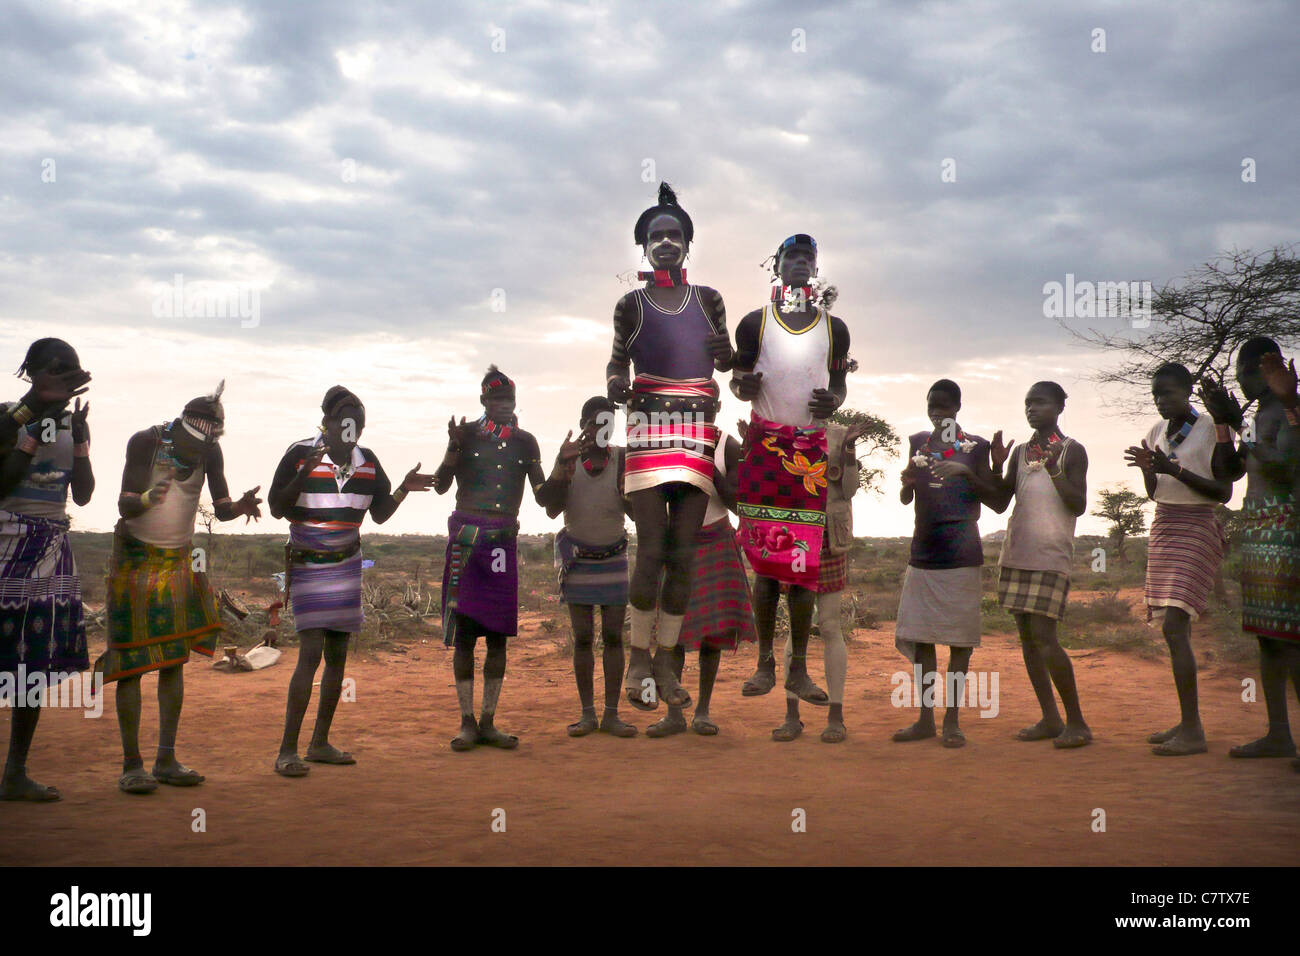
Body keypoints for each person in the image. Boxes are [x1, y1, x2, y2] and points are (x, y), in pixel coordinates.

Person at [94, 383, 264, 793]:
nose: (200, 448)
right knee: (131, 664)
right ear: (182, 426)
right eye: (196, 440)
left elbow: (220, 509)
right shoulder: (147, 441)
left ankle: (166, 758)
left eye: (209, 441)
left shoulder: (209, 451)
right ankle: (132, 765)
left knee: (173, 660)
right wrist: (152, 497)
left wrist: (239, 506)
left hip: (178, 561)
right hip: (135, 559)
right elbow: (125, 503)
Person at [606, 182, 733, 709]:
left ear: (687, 244)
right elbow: (617, 361)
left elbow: (726, 364)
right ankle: (637, 658)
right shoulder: (630, 305)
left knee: (683, 555)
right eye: (656, 235)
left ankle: (664, 660)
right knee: (652, 549)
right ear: (643, 246)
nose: (665, 242)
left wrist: (726, 354)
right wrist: (614, 381)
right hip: (647, 428)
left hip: (697, 429)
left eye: (674, 234)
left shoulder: (708, 301)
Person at [269, 387, 433, 777]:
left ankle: (319, 743)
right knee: (310, 654)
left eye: (356, 423)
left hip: (346, 563)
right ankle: (286, 750)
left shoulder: (368, 462)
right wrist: (305, 473)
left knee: (338, 658)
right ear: (325, 423)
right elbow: (278, 508)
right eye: (343, 421)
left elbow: (381, 515)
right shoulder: (299, 453)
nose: (349, 429)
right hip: (309, 562)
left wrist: (404, 490)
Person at [731, 234, 850, 707]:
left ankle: (797, 668)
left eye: (807, 258)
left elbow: (838, 385)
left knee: (801, 566)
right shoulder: (753, 324)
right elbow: (739, 383)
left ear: (815, 268)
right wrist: (745, 385)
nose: (800, 263)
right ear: (776, 267)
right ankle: (764, 662)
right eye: (791, 257)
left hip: (810, 456)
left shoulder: (834, 328)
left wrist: (833, 401)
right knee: (764, 563)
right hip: (763, 447)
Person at [0, 339, 94, 801]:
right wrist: (34, 420)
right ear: (32, 372)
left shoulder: (72, 426)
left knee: (30, 663)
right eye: (54, 369)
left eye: (70, 370)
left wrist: (80, 443)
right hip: (4, 543)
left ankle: (15, 771)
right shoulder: (7, 416)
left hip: (50, 548)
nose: (63, 377)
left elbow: (83, 496)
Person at [436, 367, 546, 751]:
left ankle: (488, 721)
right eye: (497, 400)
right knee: (466, 636)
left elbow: (545, 499)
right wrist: (452, 447)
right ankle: (466, 723)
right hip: (468, 541)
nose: (504, 406)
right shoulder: (464, 436)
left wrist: (565, 469)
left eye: (509, 401)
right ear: (483, 401)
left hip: (501, 544)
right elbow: (440, 485)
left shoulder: (526, 443)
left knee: (498, 636)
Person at [1202, 338, 1300, 769]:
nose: (1244, 380)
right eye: (1241, 373)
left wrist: (1287, 403)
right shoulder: (1259, 415)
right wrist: (1225, 425)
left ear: (1275, 369)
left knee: (1291, 639)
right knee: (1268, 637)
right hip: (1259, 532)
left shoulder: (1288, 411)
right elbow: (1229, 474)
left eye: (1252, 371)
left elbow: (1285, 467)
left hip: (1287, 528)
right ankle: (1278, 734)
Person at [1124, 363, 1231, 756]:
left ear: (1187, 391)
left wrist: (1173, 468)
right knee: (1174, 630)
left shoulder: (1211, 429)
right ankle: (1189, 723)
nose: (1160, 399)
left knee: (1174, 624)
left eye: (1167, 392)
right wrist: (1148, 471)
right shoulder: (1156, 432)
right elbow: (1155, 492)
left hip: (1197, 524)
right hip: (1164, 524)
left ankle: (1193, 730)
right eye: (1155, 394)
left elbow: (1222, 491)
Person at [982, 381, 1093, 749]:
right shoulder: (1020, 452)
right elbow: (1000, 504)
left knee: (1046, 639)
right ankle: (1050, 718)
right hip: (1017, 552)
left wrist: (1054, 470)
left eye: (1041, 402)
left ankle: (1077, 722)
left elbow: (1077, 505)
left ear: (1061, 407)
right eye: (1028, 403)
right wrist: (996, 466)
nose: (1032, 409)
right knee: (1028, 640)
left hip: (1050, 554)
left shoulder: (1071, 451)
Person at [891, 381, 993, 749]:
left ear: (958, 407)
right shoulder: (917, 441)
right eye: (932, 406)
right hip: (924, 551)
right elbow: (906, 496)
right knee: (921, 639)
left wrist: (966, 473)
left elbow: (995, 499)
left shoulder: (976, 447)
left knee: (959, 642)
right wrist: (905, 484)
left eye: (944, 407)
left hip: (962, 554)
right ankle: (925, 719)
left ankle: (952, 721)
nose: (937, 413)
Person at [645, 421, 755, 738]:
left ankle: (703, 712)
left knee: (713, 635)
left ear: (714, 407)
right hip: (678, 543)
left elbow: (736, 503)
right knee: (672, 632)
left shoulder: (727, 447)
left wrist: (708, 466)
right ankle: (674, 713)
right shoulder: (666, 440)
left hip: (717, 538)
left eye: (706, 404)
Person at [539, 396, 637, 738]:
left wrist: (627, 494)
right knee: (583, 638)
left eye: (609, 423)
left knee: (612, 636)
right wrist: (561, 469)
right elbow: (551, 509)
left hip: (613, 557)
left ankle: (611, 715)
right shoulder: (569, 459)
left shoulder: (623, 459)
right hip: (579, 560)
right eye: (596, 422)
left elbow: (636, 513)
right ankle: (587, 715)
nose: (602, 430)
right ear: (583, 424)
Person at [777, 419, 867, 743]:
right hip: (796, 537)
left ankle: (836, 716)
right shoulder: (783, 432)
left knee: (829, 626)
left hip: (829, 538)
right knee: (795, 628)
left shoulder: (841, 436)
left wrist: (850, 449)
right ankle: (792, 715)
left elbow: (850, 489)